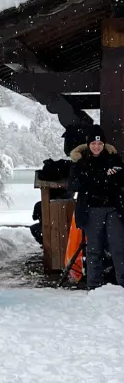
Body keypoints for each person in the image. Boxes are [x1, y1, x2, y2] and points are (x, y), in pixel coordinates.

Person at [67, 124, 124, 289]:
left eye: (100, 144)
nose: (97, 147)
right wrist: (99, 177)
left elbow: (121, 179)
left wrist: (111, 177)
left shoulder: (113, 158)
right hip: (91, 210)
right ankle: (94, 285)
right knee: (94, 249)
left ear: (104, 144)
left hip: (113, 209)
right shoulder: (80, 161)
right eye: (94, 144)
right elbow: (74, 184)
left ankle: (122, 283)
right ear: (88, 144)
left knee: (119, 247)